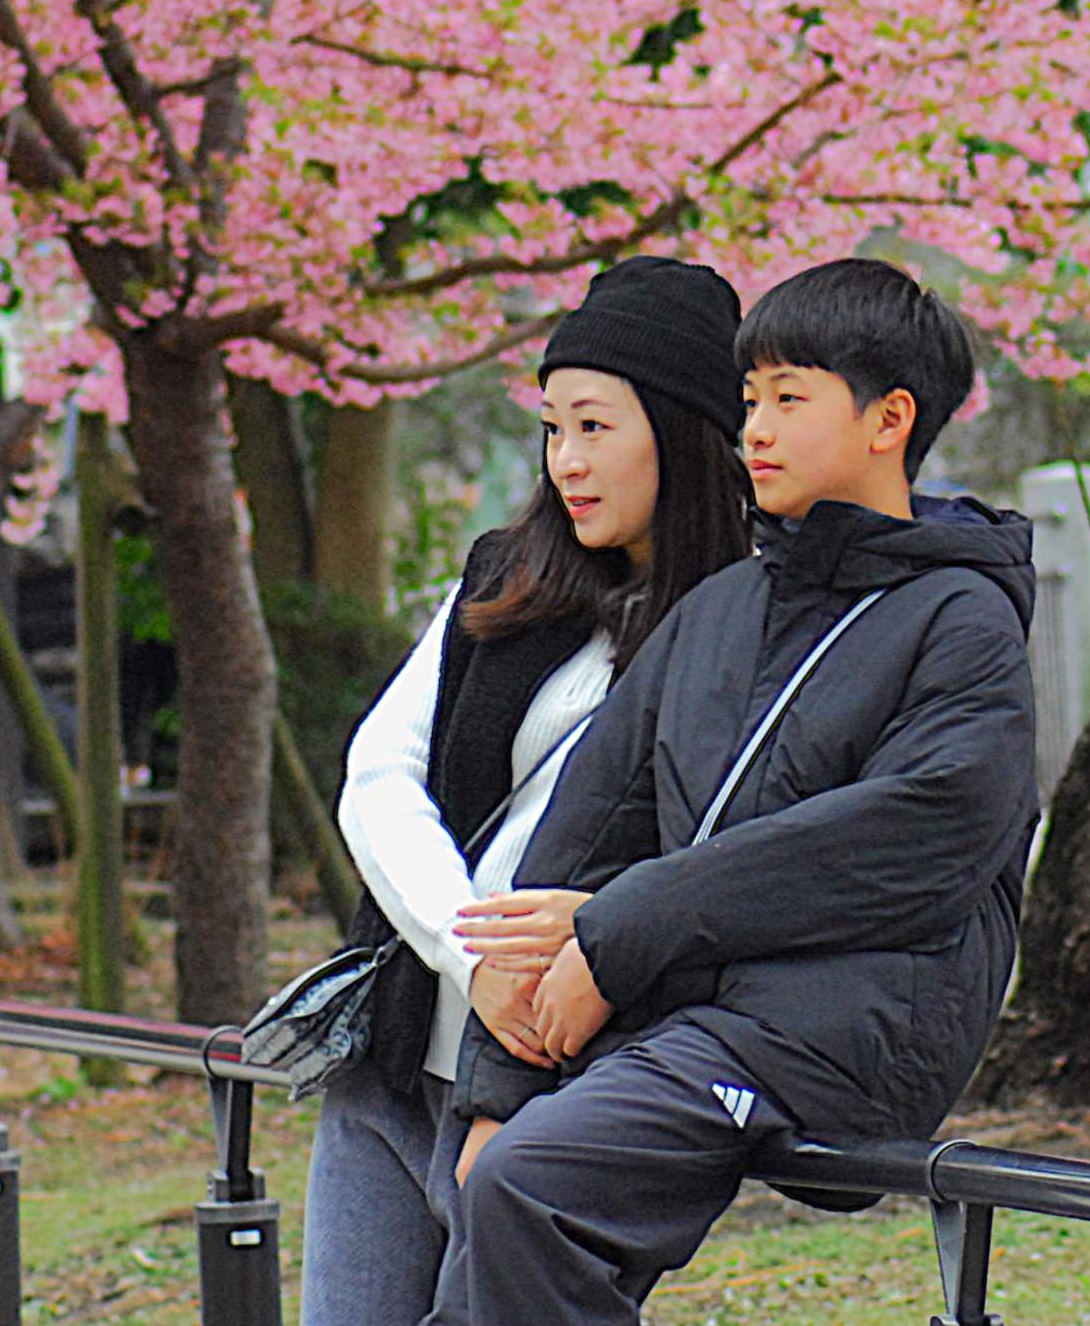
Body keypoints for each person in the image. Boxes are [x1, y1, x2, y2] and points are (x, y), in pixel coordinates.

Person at [436, 256, 1038, 1326]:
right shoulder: (720, 607)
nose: (753, 429)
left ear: (889, 418)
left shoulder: (962, 617)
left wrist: (621, 930)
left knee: (531, 1184)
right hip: (690, 1011)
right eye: (749, 399)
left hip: (843, 1028)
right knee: (493, 1183)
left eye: (788, 399)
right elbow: (587, 833)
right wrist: (498, 1085)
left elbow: (917, 834)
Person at [299, 256, 753, 1326]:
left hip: (562, 1092)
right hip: (400, 1053)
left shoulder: (749, 621)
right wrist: (469, 956)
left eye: (594, 426)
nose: (566, 461)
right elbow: (380, 774)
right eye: (552, 428)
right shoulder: (510, 575)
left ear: (681, 430)